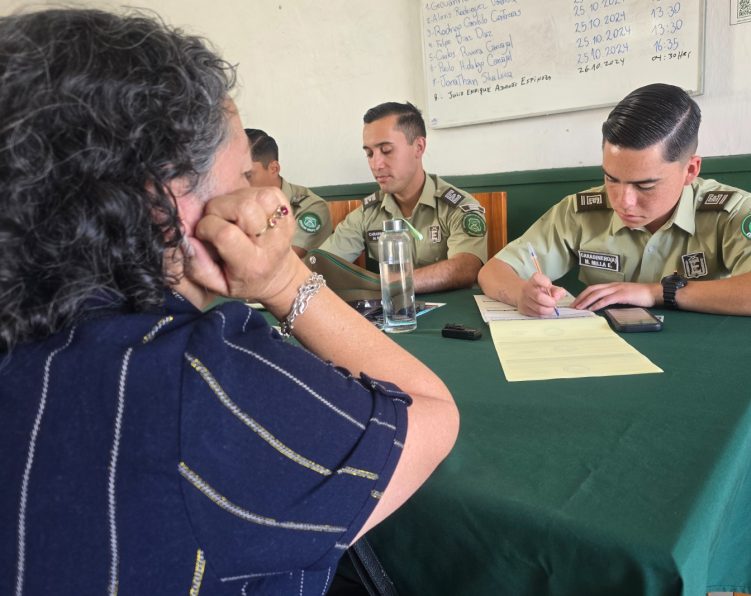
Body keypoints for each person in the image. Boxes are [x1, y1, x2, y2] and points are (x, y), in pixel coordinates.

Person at [0, 8, 458, 596]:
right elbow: (431, 416)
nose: (259, 198)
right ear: (160, 194)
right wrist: (280, 280)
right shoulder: (193, 379)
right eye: (241, 175)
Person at [478, 83, 751, 320]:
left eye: (645, 185)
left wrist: (657, 293)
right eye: (611, 178)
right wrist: (521, 294)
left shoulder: (728, 210)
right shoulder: (580, 210)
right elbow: (495, 271)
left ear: (690, 170)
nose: (624, 201)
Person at [318, 101, 487, 293]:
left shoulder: (457, 206)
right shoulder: (367, 214)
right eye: (369, 153)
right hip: (389, 317)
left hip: (450, 317)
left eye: (386, 150)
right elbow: (322, 265)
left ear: (418, 147)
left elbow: (465, 267)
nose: (376, 164)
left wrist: (383, 284)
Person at [244, 128, 333, 257]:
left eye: (247, 175)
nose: (239, 183)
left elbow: (282, 259)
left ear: (274, 169)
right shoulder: (236, 204)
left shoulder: (310, 207)